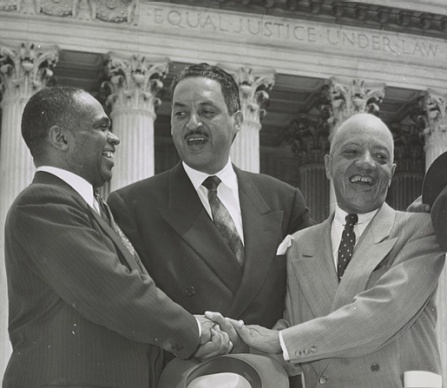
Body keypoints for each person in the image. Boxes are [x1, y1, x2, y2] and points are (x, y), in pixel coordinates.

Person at [3, 86, 230, 388]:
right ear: (61, 138)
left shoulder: (96, 209)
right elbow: (114, 291)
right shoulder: (43, 203)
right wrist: (193, 330)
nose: (115, 137)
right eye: (101, 127)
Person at [220, 113, 445, 387]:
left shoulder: (420, 229)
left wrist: (280, 340)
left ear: (393, 172)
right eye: (351, 151)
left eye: (381, 157)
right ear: (328, 165)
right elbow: (295, 326)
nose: (366, 163)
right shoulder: (299, 244)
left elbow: (383, 313)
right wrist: (242, 338)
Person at [107, 63, 313, 337]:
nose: (192, 124)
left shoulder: (284, 200)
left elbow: (312, 288)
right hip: (190, 369)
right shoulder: (131, 206)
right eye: (180, 113)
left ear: (237, 120)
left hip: (268, 368)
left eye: (207, 112)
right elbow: (132, 303)